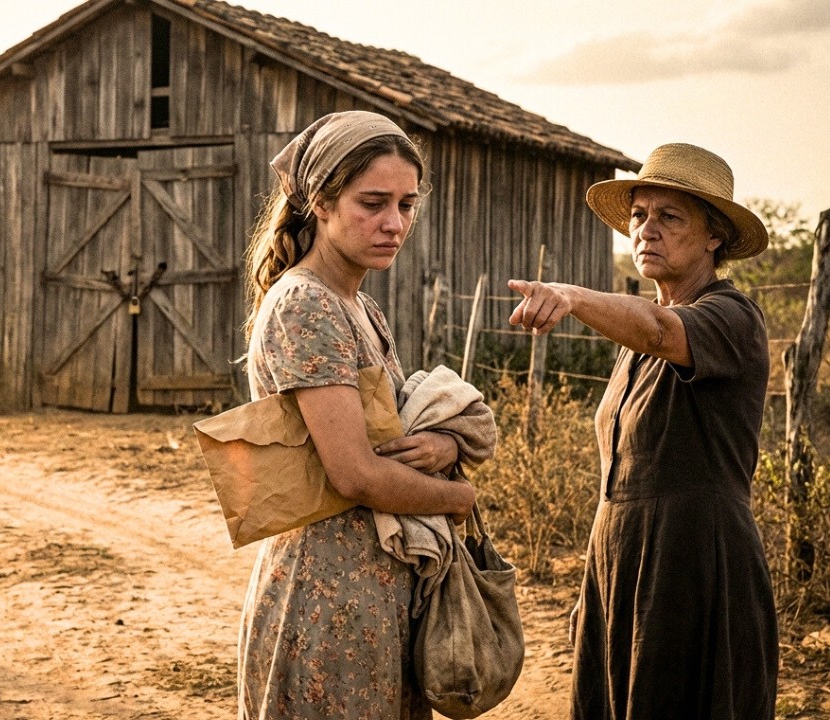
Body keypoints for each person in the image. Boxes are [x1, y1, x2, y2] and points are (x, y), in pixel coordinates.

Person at [507, 143, 778, 720]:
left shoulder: (732, 318)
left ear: (714, 236)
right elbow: (620, 478)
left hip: (695, 566)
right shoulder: (631, 345)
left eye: (669, 217)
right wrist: (595, 586)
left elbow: (660, 329)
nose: (646, 230)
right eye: (638, 215)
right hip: (622, 565)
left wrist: (570, 296)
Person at [237, 110, 475, 718]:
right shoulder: (305, 303)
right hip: (327, 594)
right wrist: (458, 498)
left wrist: (446, 445)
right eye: (373, 203)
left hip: (376, 586)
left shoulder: (360, 306)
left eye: (406, 204)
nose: (394, 223)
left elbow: (395, 431)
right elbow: (356, 474)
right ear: (320, 202)